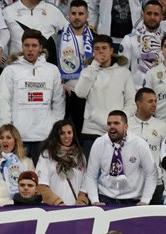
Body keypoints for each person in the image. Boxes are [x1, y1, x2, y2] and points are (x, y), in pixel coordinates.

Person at [0, 29, 65, 163]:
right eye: (26, 45)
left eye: (34, 46)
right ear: (22, 47)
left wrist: (53, 129)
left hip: (45, 137)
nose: (30, 49)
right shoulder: (10, 71)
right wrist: (8, 134)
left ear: (40, 48)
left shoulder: (52, 70)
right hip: (20, 137)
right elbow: (3, 103)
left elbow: (59, 103)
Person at [74, 34, 136, 158]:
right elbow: (80, 93)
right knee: (92, 171)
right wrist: (94, 65)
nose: (100, 51)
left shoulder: (124, 73)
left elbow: (131, 102)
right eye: (97, 49)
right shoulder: (88, 71)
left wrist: (120, 122)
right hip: (91, 130)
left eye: (104, 48)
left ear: (111, 50)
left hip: (116, 132)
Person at [85, 110, 158, 206]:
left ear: (126, 126)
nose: (112, 127)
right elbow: (91, 175)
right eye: (109, 123)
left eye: (116, 123)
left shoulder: (139, 144)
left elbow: (151, 173)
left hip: (133, 201)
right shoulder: (99, 143)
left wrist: (145, 200)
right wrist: (94, 200)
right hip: (106, 199)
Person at [58, 0, 95, 139]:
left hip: (88, 93)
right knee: (64, 134)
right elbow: (50, 63)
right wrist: (59, 83)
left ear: (87, 15)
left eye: (81, 14)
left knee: (81, 134)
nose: (77, 17)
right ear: (68, 15)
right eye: (73, 13)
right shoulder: (59, 37)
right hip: (66, 91)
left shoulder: (95, 38)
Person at [128, 87, 166, 205]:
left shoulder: (162, 126)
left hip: (156, 184)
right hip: (132, 184)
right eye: (150, 101)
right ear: (138, 104)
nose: (154, 105)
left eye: (155, 101)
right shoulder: (127, 125)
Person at [0, 124, 35, 207]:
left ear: (15, 141)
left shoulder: (27, 162)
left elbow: (33, 187)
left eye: (8, 137)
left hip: (22, 207)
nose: (5, 141)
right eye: (1, 138)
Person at [36, 120, 89, 206]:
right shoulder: (47, 155)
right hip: (53, 208)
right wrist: (58, 203)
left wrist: (81, 200)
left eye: (69, 133)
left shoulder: (80, 157)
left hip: (75, 210)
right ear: (56, 135)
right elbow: (42, 185)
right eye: (62, 133)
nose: (66, 136)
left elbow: (85, 184)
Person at [2, 0, 67, 62]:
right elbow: (0, 46)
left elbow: (70, 37)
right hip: (16, 69)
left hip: (47, 69)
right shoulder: (8, 13)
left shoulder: (54, 11)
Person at [119, 1, 165, 89]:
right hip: (136, 93)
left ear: (162, 17)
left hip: (161, 92)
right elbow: (122, 72)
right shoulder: (129, 39)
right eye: (149, 13)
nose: (152, 17)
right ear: (142, 15)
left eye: (156, 14)